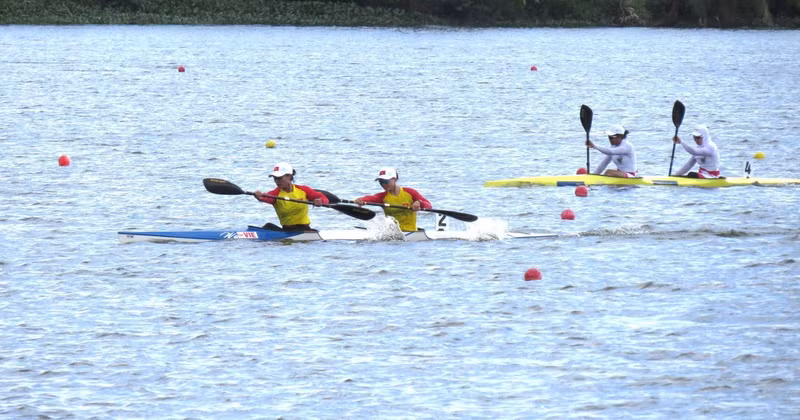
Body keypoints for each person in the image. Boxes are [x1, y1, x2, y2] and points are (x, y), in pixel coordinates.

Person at [253, 162, 329, 231]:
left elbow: (323, 197)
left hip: (305, 229)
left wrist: (320, 201)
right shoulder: (275, 194)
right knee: (268, 226)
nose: (277, 181)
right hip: (287, 230)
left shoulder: (303, 190)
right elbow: (266, 198)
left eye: (279, 178)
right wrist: (259, 197)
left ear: (289, 176)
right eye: (275, 178)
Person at [354, 167, 432, 232]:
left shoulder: (410, 193)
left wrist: (419, 203)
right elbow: (372, 198)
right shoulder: (383, 197)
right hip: (391, 234)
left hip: (410, 233)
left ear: (395, 179)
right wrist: (361, 200)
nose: (383, 184)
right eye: (381, 182)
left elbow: (429, 206)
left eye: (385, 181)